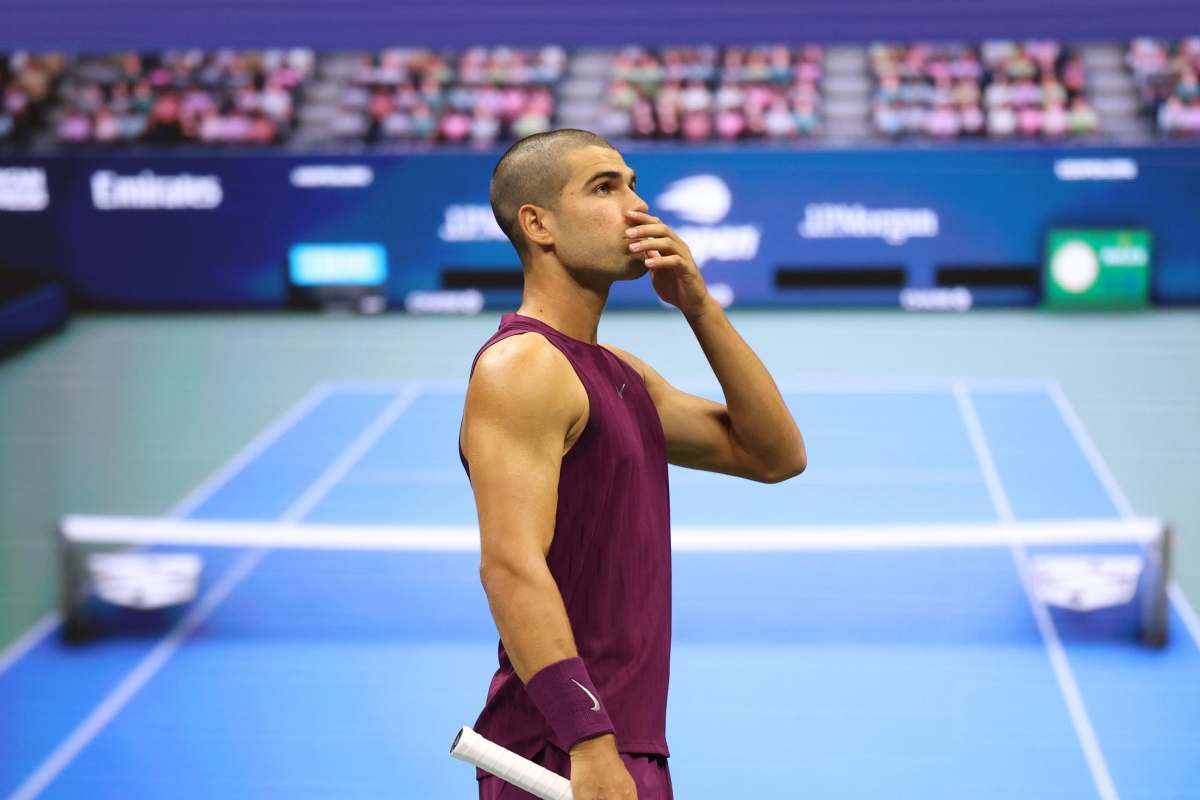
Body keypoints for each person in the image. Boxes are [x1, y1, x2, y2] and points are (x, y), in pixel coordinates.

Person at [459, 129, 806, 800]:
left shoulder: (618, 374)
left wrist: (699, 307)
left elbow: (775, 455)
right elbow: (510, 565)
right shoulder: (522, 367)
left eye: (633, 185)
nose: (637, 207)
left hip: (623, 745)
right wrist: (588, 741)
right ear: (538, 225)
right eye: (604, 188)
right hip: (561, 750)